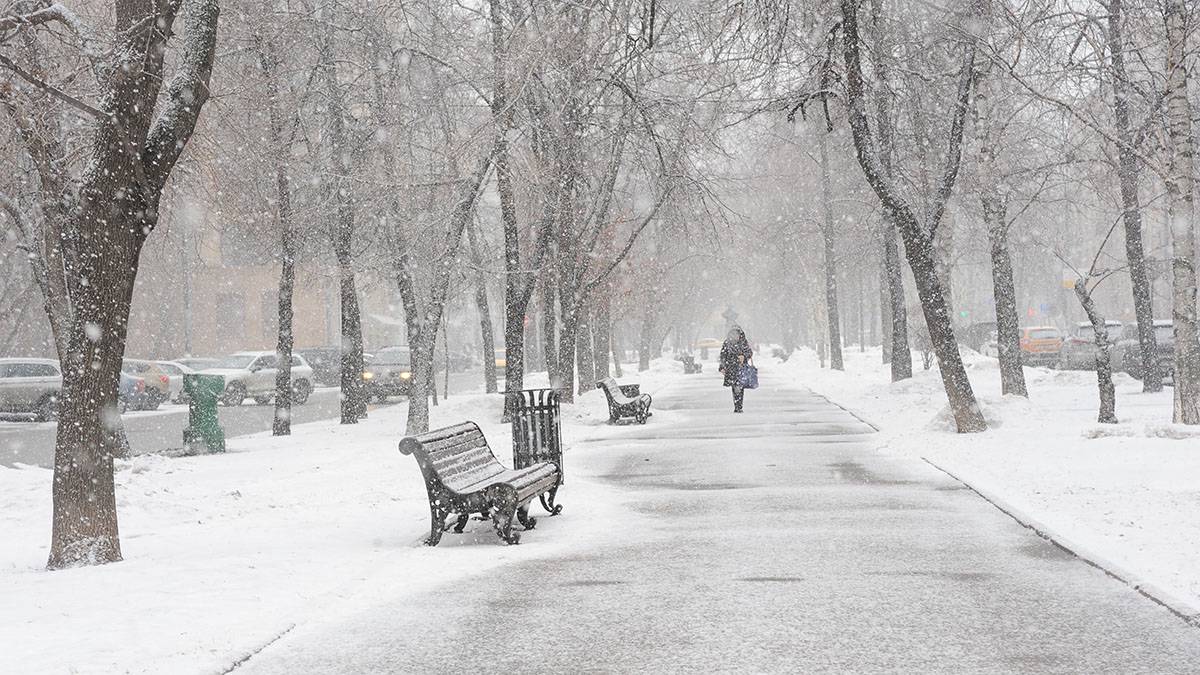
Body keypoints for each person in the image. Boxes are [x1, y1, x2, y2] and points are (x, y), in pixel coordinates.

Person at [719, 326, 753, 413]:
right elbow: (723, 356)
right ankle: (737, 405)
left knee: (739, 387)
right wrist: (722, 367)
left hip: (741, 368)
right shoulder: (727, 343)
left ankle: (739, 406)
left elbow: (749, 352)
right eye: (733, 334)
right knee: (735, 387)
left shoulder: (743, 343)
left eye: (737, 334)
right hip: (731, 368)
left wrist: (744, 356)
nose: (735, 336)